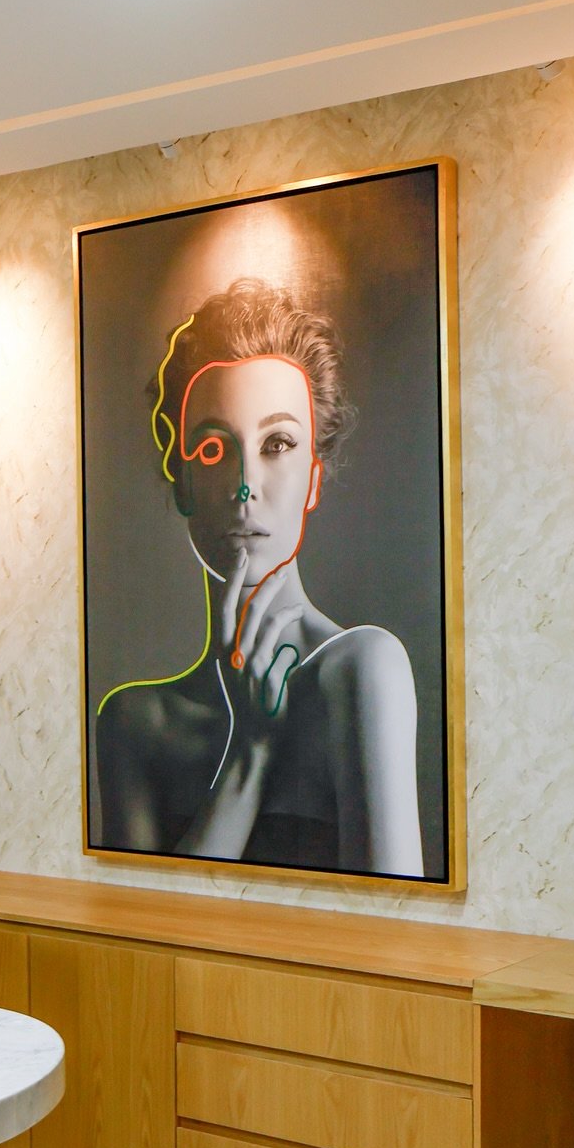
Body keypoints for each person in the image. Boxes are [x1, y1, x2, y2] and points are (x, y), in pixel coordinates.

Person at [95, 277, 424, 877]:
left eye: (277, 443)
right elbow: (150, 921)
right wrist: (249, 755)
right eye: (214, 449)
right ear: (182, 482)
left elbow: (395, 914)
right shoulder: (133, 723)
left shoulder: (362, 669)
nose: (245, 486)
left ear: (313, 479)